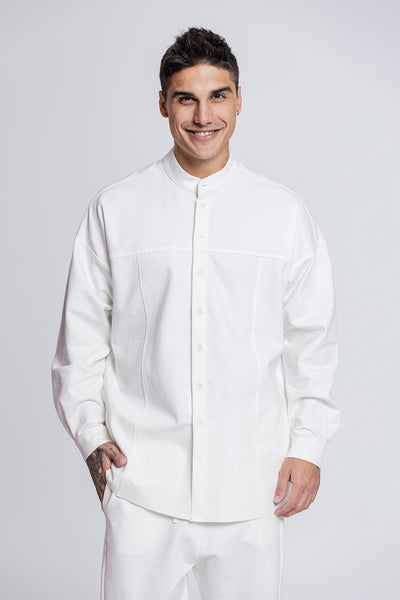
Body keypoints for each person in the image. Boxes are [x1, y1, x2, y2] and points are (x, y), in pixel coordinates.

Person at [51, 26, 340, 600]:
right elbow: (81, 337)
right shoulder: (116, 209)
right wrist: (90, 435)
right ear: (163, 104)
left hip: (252, 488)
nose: (203, 115)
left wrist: (307, 448)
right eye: (186, 98)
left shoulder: (283, 215)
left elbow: (311, 342)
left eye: (218, 96)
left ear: (239, 100)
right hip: (142, 487)